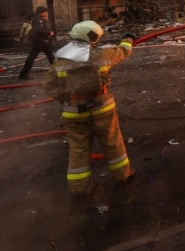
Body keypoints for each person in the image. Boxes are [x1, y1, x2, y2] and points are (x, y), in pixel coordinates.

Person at [47, 21, 136, 196]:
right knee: (112, 143)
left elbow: (48, 85)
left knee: (78, 149)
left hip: (74, 112)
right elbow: (124, 51)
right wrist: (128, 39)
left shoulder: (61, 60)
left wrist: (66, 98)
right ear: (93, 37)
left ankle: (78, 188)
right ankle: (122, 176)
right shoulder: (104, 54)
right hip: (102, 108)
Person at [18, 6, 55, 79]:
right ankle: (23, 75)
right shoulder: (37, 19)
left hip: (39, 40)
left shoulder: (36, 18)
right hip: (38, 40)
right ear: (42, 12)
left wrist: (44, 20)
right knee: (32, 57)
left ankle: (56, 69)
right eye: (45, 12)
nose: (46, 13)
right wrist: (49, 33)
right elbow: (38, 29)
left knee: (49, 54)